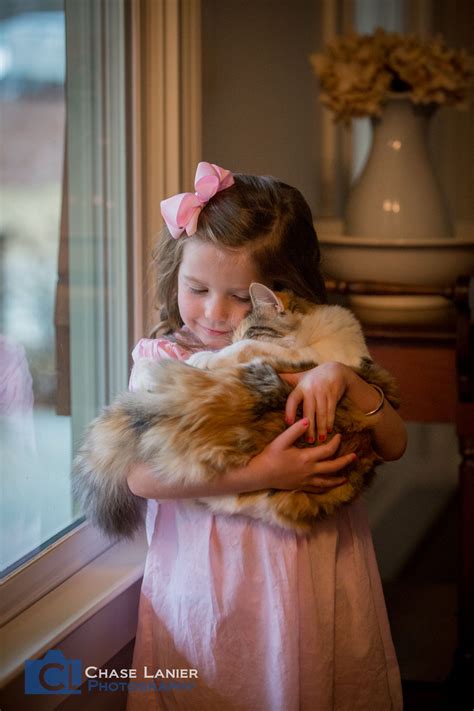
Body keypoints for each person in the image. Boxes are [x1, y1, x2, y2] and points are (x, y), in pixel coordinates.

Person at [126, 162, 407, 711]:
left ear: (279, 294)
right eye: (197, 288)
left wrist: (345, 379)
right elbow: (139, 476)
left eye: (237, 297)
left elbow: (393, 443)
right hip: (211, 584)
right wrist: (264, 474)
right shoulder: (166, 362)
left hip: (313, 571)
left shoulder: (319, 344)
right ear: (175, 277)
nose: (213, 313)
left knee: (313, 679)